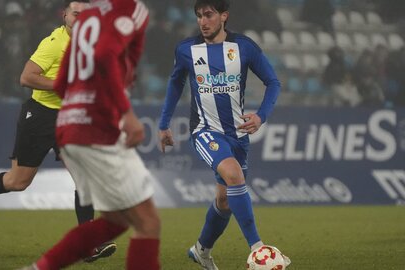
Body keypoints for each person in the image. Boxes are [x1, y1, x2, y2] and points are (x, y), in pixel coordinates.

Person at [0, 0, 116, 262]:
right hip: (40, 116)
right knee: (18, 181)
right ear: (65, 15)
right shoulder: (53, 43)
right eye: (76, 14)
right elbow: (26, 77)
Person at [19, 0, 160, 269]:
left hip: (70, 123)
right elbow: (105, 58)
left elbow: (63, 81)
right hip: (95, 126)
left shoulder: (87, 21)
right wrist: (126, 114)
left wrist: (76, 103)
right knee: (146, 221)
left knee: (117, 220)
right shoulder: (131, 10)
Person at [158, 0, 290, 269]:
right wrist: (163, 124)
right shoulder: (187, 50)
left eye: (208, 15)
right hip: (205, 131)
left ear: (223, 16)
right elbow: (175, 84)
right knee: (234, 175)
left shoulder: (243, 47)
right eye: (199, 16)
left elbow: (273, 82)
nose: (203, 21)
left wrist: (261, 116)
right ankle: (258, 249)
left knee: (224, 200)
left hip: (237, 135)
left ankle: (201, 250)